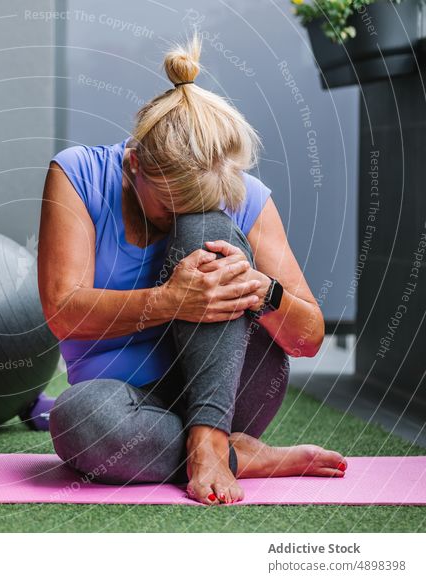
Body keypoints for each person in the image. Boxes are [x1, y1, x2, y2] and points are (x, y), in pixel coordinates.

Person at [38, 36, 347, 505]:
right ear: (134, 162)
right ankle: (236, 456)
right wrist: (170, 300)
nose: (176, 218)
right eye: (168, 205)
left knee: (207, 227)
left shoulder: (245, 196)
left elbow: (307, 339)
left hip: (236, 394)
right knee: (77, 420)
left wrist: (264, 291)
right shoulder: (79, 175)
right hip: (125, 409)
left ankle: (210, 440)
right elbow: (63, 312)